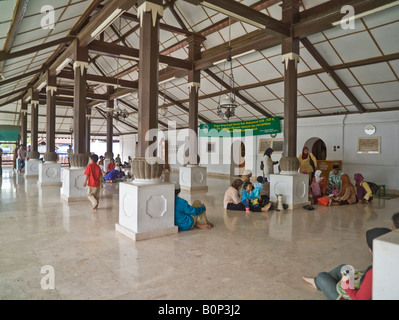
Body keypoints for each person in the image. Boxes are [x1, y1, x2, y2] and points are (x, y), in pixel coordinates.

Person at [302, 227, 391, 300]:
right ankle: (317, 283)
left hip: (352, 297)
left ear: (372, 251)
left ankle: (317, 282)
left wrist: (346, 282)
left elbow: (358, 299)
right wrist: (361, 278)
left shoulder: (374, 273)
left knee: (322, 276)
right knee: (344, 268)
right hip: (364, 287)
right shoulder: (391, 264)